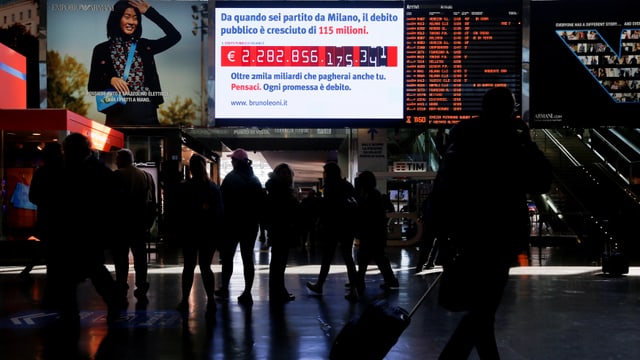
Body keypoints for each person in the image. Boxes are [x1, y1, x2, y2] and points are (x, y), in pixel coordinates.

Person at [428, 87, 551, 359]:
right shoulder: (511, 140)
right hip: (501, 235)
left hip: (466, 234)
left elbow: (444, 188)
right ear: (510, 110)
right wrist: (527, 141)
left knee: (482, 311)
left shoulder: (462, 136)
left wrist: (442, 236)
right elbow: (541, 181)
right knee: (483, 310)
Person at [54, 133, 123, 325]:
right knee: (93, 271)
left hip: (83, 232)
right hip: (88, 232)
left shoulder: (74, 171)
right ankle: (112, 303)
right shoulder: (100, 171)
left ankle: (72, 314)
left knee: (84, 272)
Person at [88, 0, 181, 127]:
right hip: (117, 112)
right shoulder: (101, 49)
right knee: (117, 147)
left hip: (146, 109)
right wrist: (111, 80)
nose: (132, 22)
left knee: (150, 146)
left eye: (136, 18)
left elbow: (175, 36)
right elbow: (92, 87)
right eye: (127, 17)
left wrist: (149, 12)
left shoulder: (145, 46)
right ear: (116, 18)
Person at [176, 154, 223, 319]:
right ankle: (210, 300)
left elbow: (178, 212)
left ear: (191, 168)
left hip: (190, 232)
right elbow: (219, 213)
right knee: (205, 267)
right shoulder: (213, 188)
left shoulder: (184, 187)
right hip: (208, 233)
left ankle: (184, 300)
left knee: (188, 267)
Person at [216, 148, 265, 305]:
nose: (231, 162)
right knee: (247, 258)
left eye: (233, 160)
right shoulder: (255, 180)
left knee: (228, 257)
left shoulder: (230, 179)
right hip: (250, 226)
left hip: (232, 225)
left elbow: (222, 204)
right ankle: (247, 291)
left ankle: (224, 288)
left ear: (237, 162)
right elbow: (260, 205)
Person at [306, 161, 359, 301]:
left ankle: (319, 285)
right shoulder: (347, 185)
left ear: (328, 173)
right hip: (348, 226)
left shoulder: (330, 187)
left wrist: (320, 222)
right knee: (348, 258)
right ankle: (354, 289)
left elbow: (328, 208)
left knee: (327, 257)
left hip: (333, 226)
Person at [111, 148, 156, 307]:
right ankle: (142, 284)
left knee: (121, 256)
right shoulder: (146, 176)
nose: (115, 162)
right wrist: (149, 223)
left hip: (121, 224)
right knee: (140, 256)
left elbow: (112, 202)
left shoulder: (117, 176)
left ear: (122, 160)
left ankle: (122, 284)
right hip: (140, 224)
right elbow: (152, 203)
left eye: (117, 159)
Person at [26, 143, 64, 304]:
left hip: (47, 218)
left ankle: (52, 292)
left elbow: (33, 197)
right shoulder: (67, 171)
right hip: (65, 220)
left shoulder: (41, 173)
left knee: (51, 255)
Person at [353, 170, 399, 294]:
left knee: (365, 258)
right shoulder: (374, 194)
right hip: (376, 233)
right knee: (379, 258)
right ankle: (390, 281)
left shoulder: (370, 195)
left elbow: (367, 214)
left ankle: (360, 282)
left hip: (371, 233)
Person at [263, 163, 301, 303]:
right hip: (281, 230)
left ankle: (278, 291)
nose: (285, 175)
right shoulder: (281, 191)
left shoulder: (275, 189)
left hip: (278, 230)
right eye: (283, 173)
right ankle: (278, 291)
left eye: (287, 173)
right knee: (279, 263)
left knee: (278, 263)